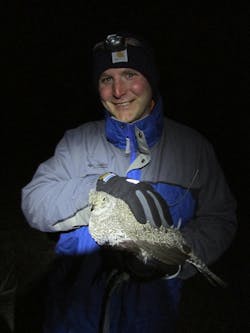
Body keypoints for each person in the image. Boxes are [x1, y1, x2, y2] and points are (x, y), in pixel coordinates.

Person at [21, 32, 237, 333]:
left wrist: (173, 260)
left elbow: (220, 219)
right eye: (106, 79)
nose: (118, 91)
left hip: (151, 317)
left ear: (151, 79)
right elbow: (34, 204)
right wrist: (97, 187)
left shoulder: (193, 148)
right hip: (74, 314)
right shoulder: (78, 141)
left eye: (129, 74)